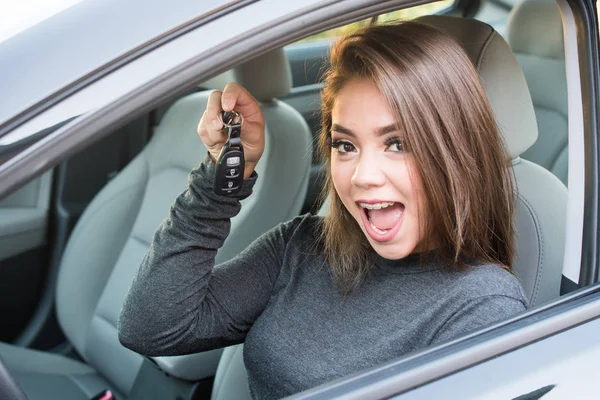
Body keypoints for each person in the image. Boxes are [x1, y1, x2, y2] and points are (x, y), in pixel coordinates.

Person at [118, 20, 528, 399]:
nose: (364, 176)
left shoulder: (482, 309)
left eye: (398, 143)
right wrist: (221, 180)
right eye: (345, 145)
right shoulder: (303, 246)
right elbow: (152, 328)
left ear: (455, 149)